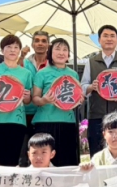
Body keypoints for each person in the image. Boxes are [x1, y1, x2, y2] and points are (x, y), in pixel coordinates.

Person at [81, 25, 117, 156]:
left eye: (112, 36)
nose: (109, 39)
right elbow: (83, 85)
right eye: (105, 36)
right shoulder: (91, 61)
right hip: (96, 115)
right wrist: (91, 87)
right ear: (99, 40)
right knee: (97, 152)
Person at [0, 35, 34, 166]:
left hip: (16, 121)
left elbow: (27, 100)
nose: (12, 50)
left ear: (20, 51)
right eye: (9, 47)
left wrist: (28, 97)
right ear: (2, 50)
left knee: (12, 161)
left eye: (16, 47)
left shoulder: (26, 73)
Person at [32, 38, 84, 166]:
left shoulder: (73, 74)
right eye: (57, 49)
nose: (61, 53)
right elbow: (35, 99)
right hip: (45, 122)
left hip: (68, 122)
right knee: (45, 162)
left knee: (68, 162)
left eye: (65, 50)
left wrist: (79, 100)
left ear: (68, 55)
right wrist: (44, 100)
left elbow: (76, 96)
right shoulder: (42, 73)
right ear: (50, 53)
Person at [19, 30, 50, 165]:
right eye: (37, 40)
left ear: (48, 45)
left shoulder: (53, 64)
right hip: (25, 114)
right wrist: (21, 55)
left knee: (42, 152)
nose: (40, 43)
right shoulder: (25, 62)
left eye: (44, 41)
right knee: (23, 153)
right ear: (32, 44)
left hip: (45, 114)